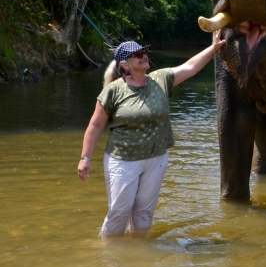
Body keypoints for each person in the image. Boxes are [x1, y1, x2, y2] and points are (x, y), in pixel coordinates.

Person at [77, 35, 226, 236]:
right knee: (119, 213)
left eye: (144, 52)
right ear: (124, 64)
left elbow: (191, 67)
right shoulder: (113, 90)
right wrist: (85, 158)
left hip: (156, 158)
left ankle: (140, 257)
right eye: (137, 55)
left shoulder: (161, 79)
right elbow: (95, 125)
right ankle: (110, 260)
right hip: (123, 160)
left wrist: (214, 48)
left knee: (144, 214)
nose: (144, 56)